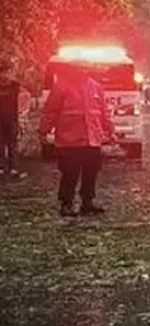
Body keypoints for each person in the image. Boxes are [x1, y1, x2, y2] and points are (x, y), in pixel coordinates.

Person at [38, 64, 115, 216]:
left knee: (91, 172)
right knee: (69, 173)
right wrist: (43, 130)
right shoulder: (61, 87)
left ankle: (88, 202)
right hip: (69, 140)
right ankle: (66, 203)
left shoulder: (96, 87)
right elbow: (51, 111)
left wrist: (110, 130)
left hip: (91, 139)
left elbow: (104, 112)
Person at [0, 57, 28, 180]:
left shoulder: (15, 85)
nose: (5, 75)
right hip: (6, 119)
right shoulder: (14, 85)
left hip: (11, 119)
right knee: (4, 144)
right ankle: (4, 169)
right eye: (4, 72)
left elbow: (23, 98)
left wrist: (22, 115)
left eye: (7, 72)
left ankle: (12, 169)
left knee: (11, 144)